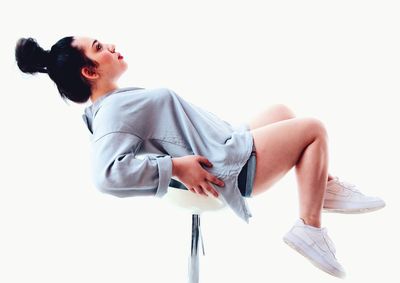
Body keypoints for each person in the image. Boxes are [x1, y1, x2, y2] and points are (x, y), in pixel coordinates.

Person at [15, 36, 385, 278]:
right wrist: (175, 167)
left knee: (282, 110)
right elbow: (106, 176)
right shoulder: (113, 115)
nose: (110, 45)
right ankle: (310, 227)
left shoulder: (115, 104)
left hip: (224, 141)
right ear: (90, 70)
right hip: (230, 166)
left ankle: (327, 189)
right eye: (99, 48)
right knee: (314, 128)